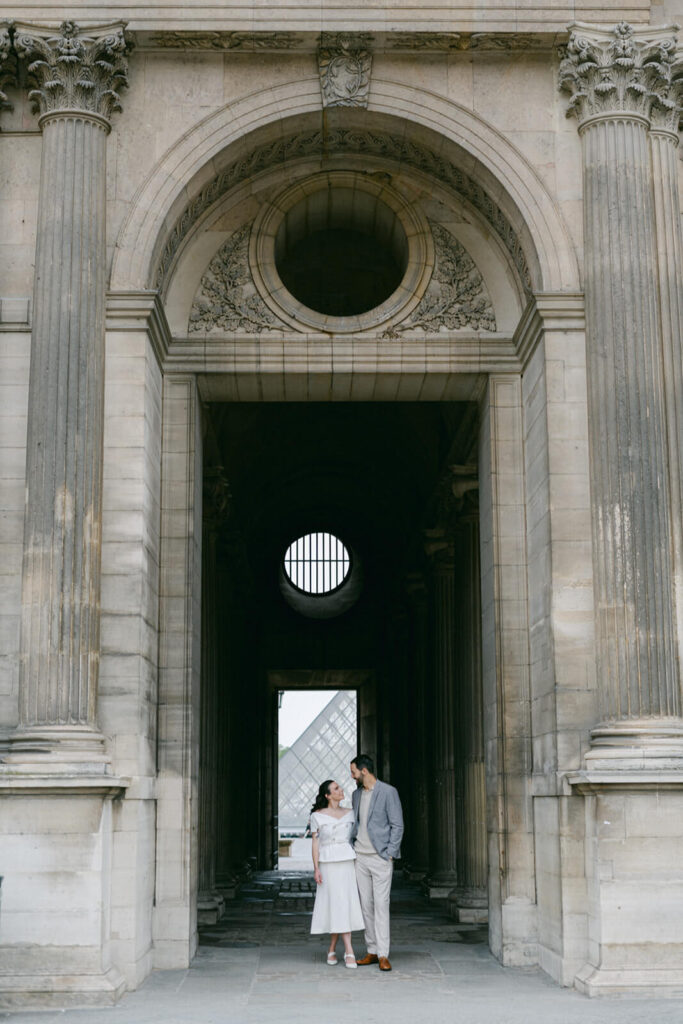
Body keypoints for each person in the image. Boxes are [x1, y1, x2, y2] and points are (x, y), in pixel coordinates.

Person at [350, 754, 404, 972]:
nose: (351, 775)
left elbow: (397, 825)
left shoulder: (388, 792)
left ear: (364, 771)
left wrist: (389, 853)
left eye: (353, 772)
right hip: (360, 857)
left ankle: (383, 954)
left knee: (382, 905)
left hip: (380, 857)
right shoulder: (355, 795)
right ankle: (372, 950)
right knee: (366, 906)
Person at [309, 779, 365, 968]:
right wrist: (316, 868)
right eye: (336, 789)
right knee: (336, 903)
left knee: (343, 903)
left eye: (340, 787)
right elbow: (315, 843)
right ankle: (349, 950)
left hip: (347, 861)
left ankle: (332, 947)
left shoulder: (350, 813)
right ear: (327, 795)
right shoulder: (317, 816)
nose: (341, 790)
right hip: (328, 863)